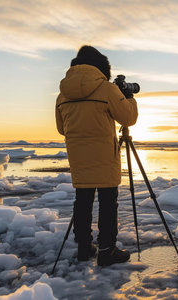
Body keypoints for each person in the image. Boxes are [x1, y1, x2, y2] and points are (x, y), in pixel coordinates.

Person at [55, 45, 138, 266]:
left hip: (79, 158)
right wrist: (128, 97)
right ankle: (107, 250)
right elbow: (128, 118)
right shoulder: (107, 90)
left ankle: (84, 248)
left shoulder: (62, 94)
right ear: (102, 67)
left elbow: (62, 128)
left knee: (82, 201)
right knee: (108, 202)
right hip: (104, 157)